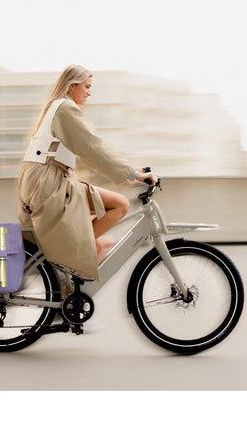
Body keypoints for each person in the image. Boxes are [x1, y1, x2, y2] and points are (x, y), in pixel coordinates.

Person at [17, 65, 157, 287]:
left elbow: (88, 156)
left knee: (100, 243)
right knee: (119, 205)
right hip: (49, 185)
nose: (89, 92)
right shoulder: (65, 109)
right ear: (72, 86)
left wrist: (129, 174)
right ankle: (71, 264)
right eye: (87, 86)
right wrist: (132, 174)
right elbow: (93, 146)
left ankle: (69, 289)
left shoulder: (55, 108)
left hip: (41, 183)